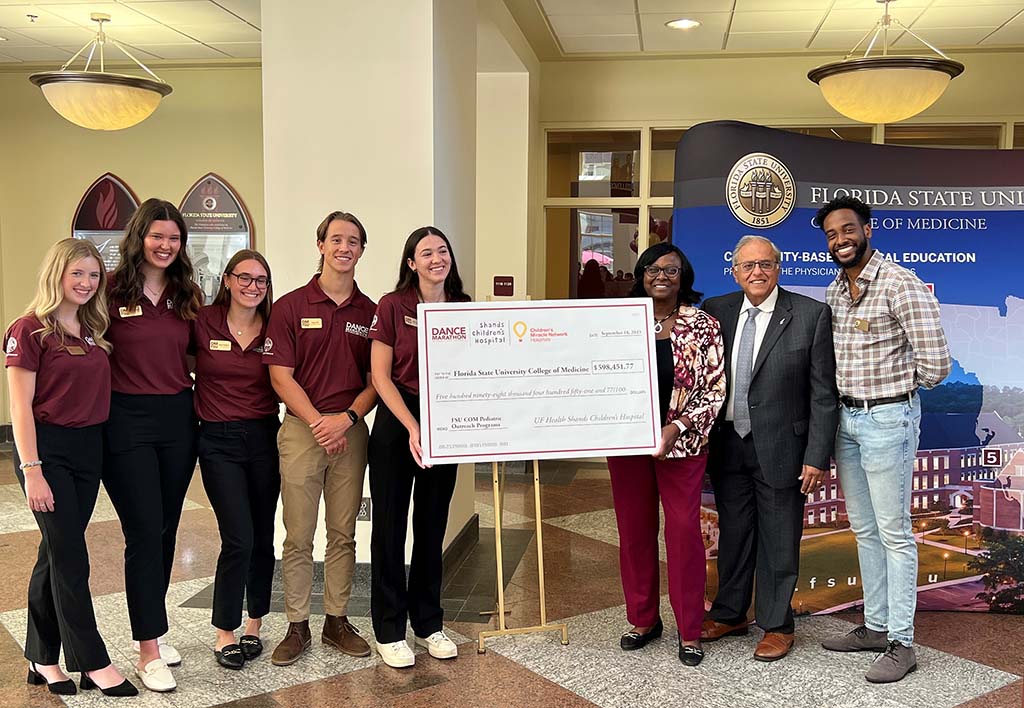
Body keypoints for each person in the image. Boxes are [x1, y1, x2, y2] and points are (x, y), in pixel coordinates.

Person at [817, 196, 951, 683]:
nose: (840, 241)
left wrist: (898, 393)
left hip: (888, 420)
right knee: (865, 529)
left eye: (848, 230)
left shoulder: (899, 283)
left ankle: (901, 641)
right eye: (831, 235)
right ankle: (874, 627)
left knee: (894, 533)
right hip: (846, 422)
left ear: (867, 230)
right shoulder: (835, 289)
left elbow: (937, 365)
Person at [5, 239, 137, 698]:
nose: (85, 283)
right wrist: (32, 469)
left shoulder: (92, 331)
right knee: (71, 557)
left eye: (94, 275)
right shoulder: (28, 330)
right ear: (57, 274)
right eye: (77, 273)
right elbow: (19, 407)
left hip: (89, 450)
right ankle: (92, 660)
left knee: (55, 554)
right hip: (48, 452)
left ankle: (41, 658)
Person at [701, 235, 838, 661]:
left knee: (779, 539)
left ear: (779, 268)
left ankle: (777, 624)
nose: (757, 272)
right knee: (735, 534)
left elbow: (823, 394)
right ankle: (730, 613)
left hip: (783, 448)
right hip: (728, 446)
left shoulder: (810, 315)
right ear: (735, 271)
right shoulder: (716, 311)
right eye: (748, 266)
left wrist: (817, 456)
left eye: (765, 264)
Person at [263, 211, 377, 666]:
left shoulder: (370, 312)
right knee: (297, 535)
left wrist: (345, 419)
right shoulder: (290, 306)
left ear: (361, 251)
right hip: (301, 431)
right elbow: (279, 375)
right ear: (321, 245)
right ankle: (296, 625)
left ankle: (336, 620)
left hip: (350, 433)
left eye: (353, 241)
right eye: (336, 239)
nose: (344, 247)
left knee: (344, 533)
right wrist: (318, 422)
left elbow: (377, 380)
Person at [607, 242, 725, 667]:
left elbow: (715, 390)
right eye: (653, 269)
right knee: (634, 533)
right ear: (640, 274)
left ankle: (690, 630)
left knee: (683, 536)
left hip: (684, 445)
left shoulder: (704, 325)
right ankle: (643, 620)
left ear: (683, 277)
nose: (662, 276)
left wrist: (676, 427)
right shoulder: (618, 323)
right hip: (626, 445)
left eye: (672, 271)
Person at [103, 199, 204, 692]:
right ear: (139, 236)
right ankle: (147, 650)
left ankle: (155, 627)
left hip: (177, 421)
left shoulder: (188, 295)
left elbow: (197, 355)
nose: (165, 246)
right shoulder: (109, 289)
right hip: (125, 422)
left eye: (174, 238)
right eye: (157, 236)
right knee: (143, 531)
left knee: (165, 529)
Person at [368, 226, 470, 668]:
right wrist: (412, 426)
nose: (435, 258)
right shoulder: (392, 306)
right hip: (397, 423)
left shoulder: (463, 307)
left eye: (442, 250)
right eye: (425, 252)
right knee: (389, 528)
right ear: (411, 263)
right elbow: (380, 376)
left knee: (432, 527)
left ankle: (428, 623)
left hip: (444, 421)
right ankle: (389, 630)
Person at [193, 249, 279, 670]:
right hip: (218, 441)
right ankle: (224, 630)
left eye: (261, 280)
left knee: (263, 537)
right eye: (244, 278)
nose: (252, 287)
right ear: (227, 280)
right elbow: (183, 365)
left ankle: (254, 624)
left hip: (265, 437)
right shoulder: (203, 321)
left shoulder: (275, 326)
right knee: (238, 537)